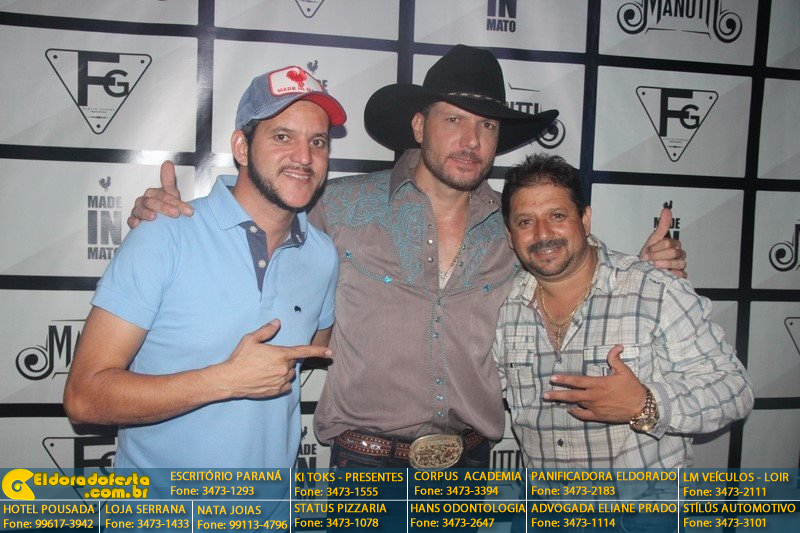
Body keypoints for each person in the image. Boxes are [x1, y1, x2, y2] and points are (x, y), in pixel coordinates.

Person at [126, 45, 686, 470]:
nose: (471, 140)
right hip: (365, 468)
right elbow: (257, 216)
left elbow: (569, 267)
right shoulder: (338, 205)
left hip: (469, 468)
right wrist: (173, 214)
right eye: (454, 119)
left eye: (486, 125)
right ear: (419, 126)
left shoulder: (515, 226)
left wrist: (638, 269)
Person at [63, 65, 345, 469]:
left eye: (317, 142)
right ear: (242, 147)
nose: (304, 157)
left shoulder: (322, 254)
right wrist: (225, 379)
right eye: (282, 137)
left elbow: (315, 345)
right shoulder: (165, 234)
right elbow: (83, 398)